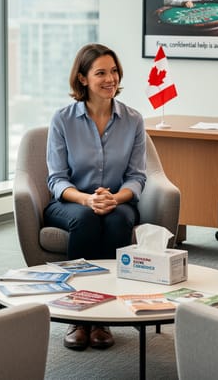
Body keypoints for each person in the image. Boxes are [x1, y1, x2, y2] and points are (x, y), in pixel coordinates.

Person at [46, 43, 147, 351]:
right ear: (82, 79)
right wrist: (86, 199)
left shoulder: (133, 120)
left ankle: (104, 317)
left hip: (118, 200)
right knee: (87, 220)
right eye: (101, 72)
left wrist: (116, 198)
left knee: (118, 222)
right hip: (71, 202)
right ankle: (79, 316)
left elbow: (137, 177)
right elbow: (56, 179)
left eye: (114, 71)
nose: (110, 79)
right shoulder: (62, 119)